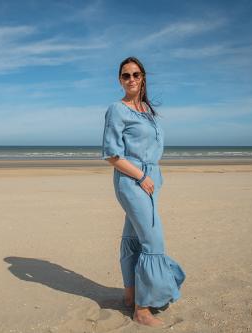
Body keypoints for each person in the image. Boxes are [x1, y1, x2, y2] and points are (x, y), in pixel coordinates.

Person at [101, 56, 185, 327]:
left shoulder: (148, 109)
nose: (132, 79)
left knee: (132, 238)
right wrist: (142, 176)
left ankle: (129, 295)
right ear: (120, 80)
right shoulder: (117, 109)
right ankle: (141, 309)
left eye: (136, 74)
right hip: (131, 180)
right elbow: (112, 154)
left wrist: (153, 177)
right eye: (126, 75)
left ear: (143, 77)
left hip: (151, 179)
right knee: (153, 242)